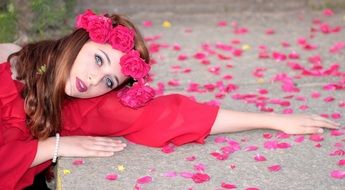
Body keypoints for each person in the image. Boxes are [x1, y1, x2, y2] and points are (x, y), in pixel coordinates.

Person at [0, 9, 340, 189]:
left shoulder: (91, 109)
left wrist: (273, 120)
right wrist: (53, 147)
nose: (92, 79)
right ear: (81, 40)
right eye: (98, 59)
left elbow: (169, 115)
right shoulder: (12, 65)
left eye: (109, 80)